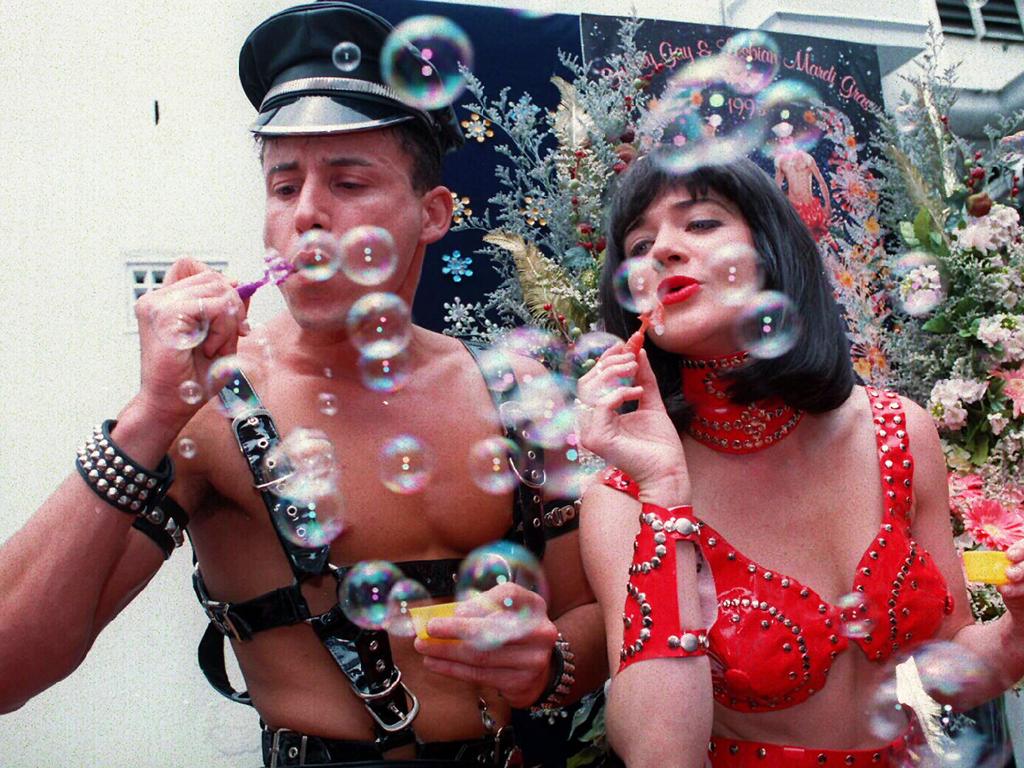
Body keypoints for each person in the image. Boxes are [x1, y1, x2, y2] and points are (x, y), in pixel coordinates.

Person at [0, 3, 606, 765]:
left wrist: (546, 662)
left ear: (433, 213)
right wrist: (150, 413)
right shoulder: (212, 408)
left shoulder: (513, 391)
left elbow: (592, 615)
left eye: (348, 181)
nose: (308, 214)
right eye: (283, 188)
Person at [576, 151, 1024, 766]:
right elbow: (662, 751)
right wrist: (664, 491)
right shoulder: (623, 495)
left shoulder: (899, 431)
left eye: (701, 223)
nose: (663, 251)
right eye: (640, 242)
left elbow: (950, 659)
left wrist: (1016, 633)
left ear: (774, 248)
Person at [771, 121, 832, 241]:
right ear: (779, 141)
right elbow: (776, 187)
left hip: (809, 207)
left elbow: (821, 182)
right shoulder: (779, 162)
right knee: (796, 242)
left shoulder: (806, 158)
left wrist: (827, 204)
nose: (786, 141)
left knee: (819, 239)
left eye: (787, 138)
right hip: (792, 208)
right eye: (782, 139)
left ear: (792, 139)